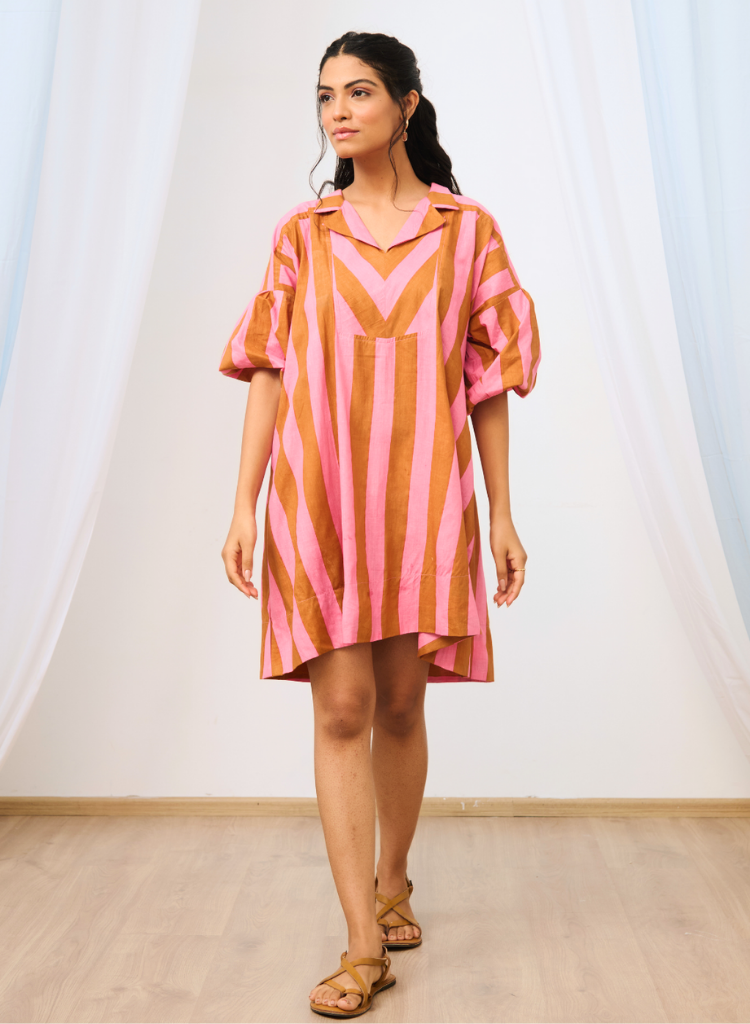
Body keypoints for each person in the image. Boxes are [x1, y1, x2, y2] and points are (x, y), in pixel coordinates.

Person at [219, 30, 541, 1020]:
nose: (338, 112)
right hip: (318, 496)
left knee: (402, 703)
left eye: (359, 93)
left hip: (427, 498)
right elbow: (270, 368)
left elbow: (487, 379)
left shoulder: (467, 231)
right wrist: (243, 501)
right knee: (341, 709)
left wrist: (502, 513)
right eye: (326, 96)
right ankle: (363, 943)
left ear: (407, 105)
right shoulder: (303, 234)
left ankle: (393, 878)